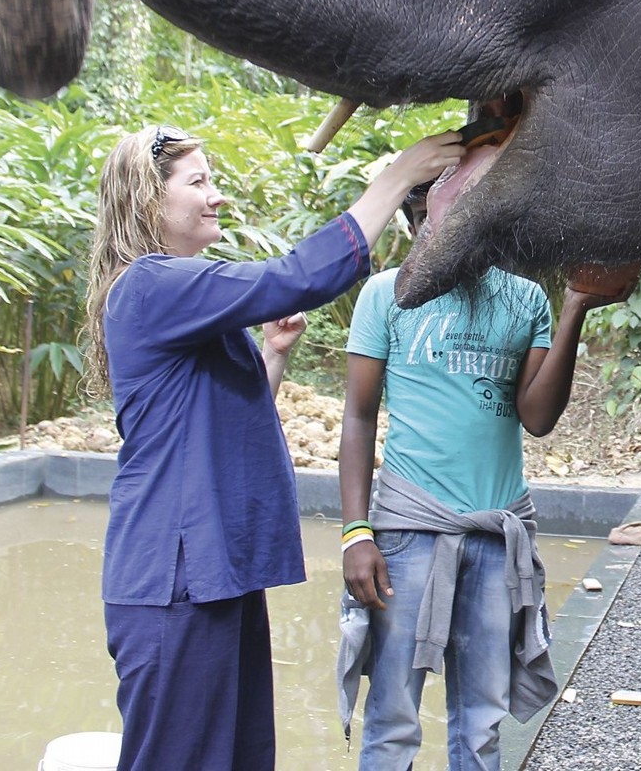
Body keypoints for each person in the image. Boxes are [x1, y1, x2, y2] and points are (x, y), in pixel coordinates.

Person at [82, 123, 463, 771]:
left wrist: (271, 356)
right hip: (174, 580)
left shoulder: (180, 296)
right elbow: (292, 277)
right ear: (148, 200)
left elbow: (213, 418)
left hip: (216, 573)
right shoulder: (150, 283)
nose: (216, 197)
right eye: (197, 182)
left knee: (239, 755)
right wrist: (397, 178)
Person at [337, 183, 634, 771]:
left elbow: (538, 416)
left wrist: (575, 304)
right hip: (408, 531)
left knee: (481, 723)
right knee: (393, 717)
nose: (442, 232)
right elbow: (359, 415)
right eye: (426, 219)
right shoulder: (385, 296)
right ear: (413, 224)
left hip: (498, 537)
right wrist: (356, 531)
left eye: (458, 218)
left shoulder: (525, 301)